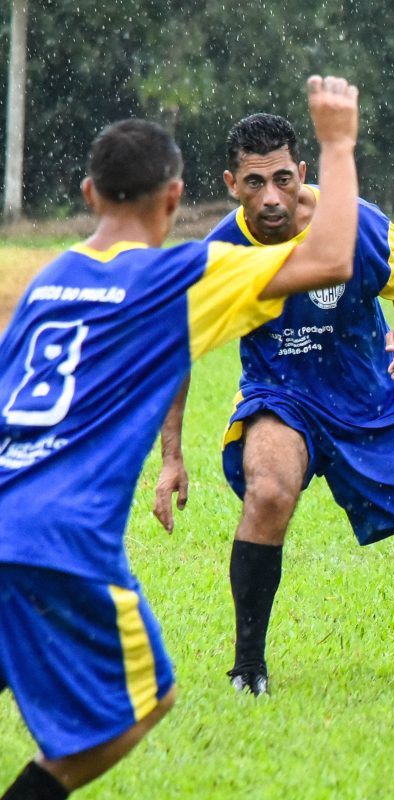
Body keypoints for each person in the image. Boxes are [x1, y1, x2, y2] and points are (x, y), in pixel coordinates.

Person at [0, 76, 360, 799]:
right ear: (174, 198)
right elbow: (330, 261)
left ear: (89, 193)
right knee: (147, 700)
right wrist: (337, 143)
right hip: (57, 540)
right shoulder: (180, 276)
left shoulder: (50, 280)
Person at [153, 113, 394, 697]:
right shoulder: (220, 252)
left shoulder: (357, 223)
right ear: (230, 183)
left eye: (281, 179)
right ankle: (249, 667)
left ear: (302, 172)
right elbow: (174, 350)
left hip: (375, 406)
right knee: (269, 488)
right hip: (283, 396)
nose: (270, 198)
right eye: (253, 183)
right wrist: (171, 457)